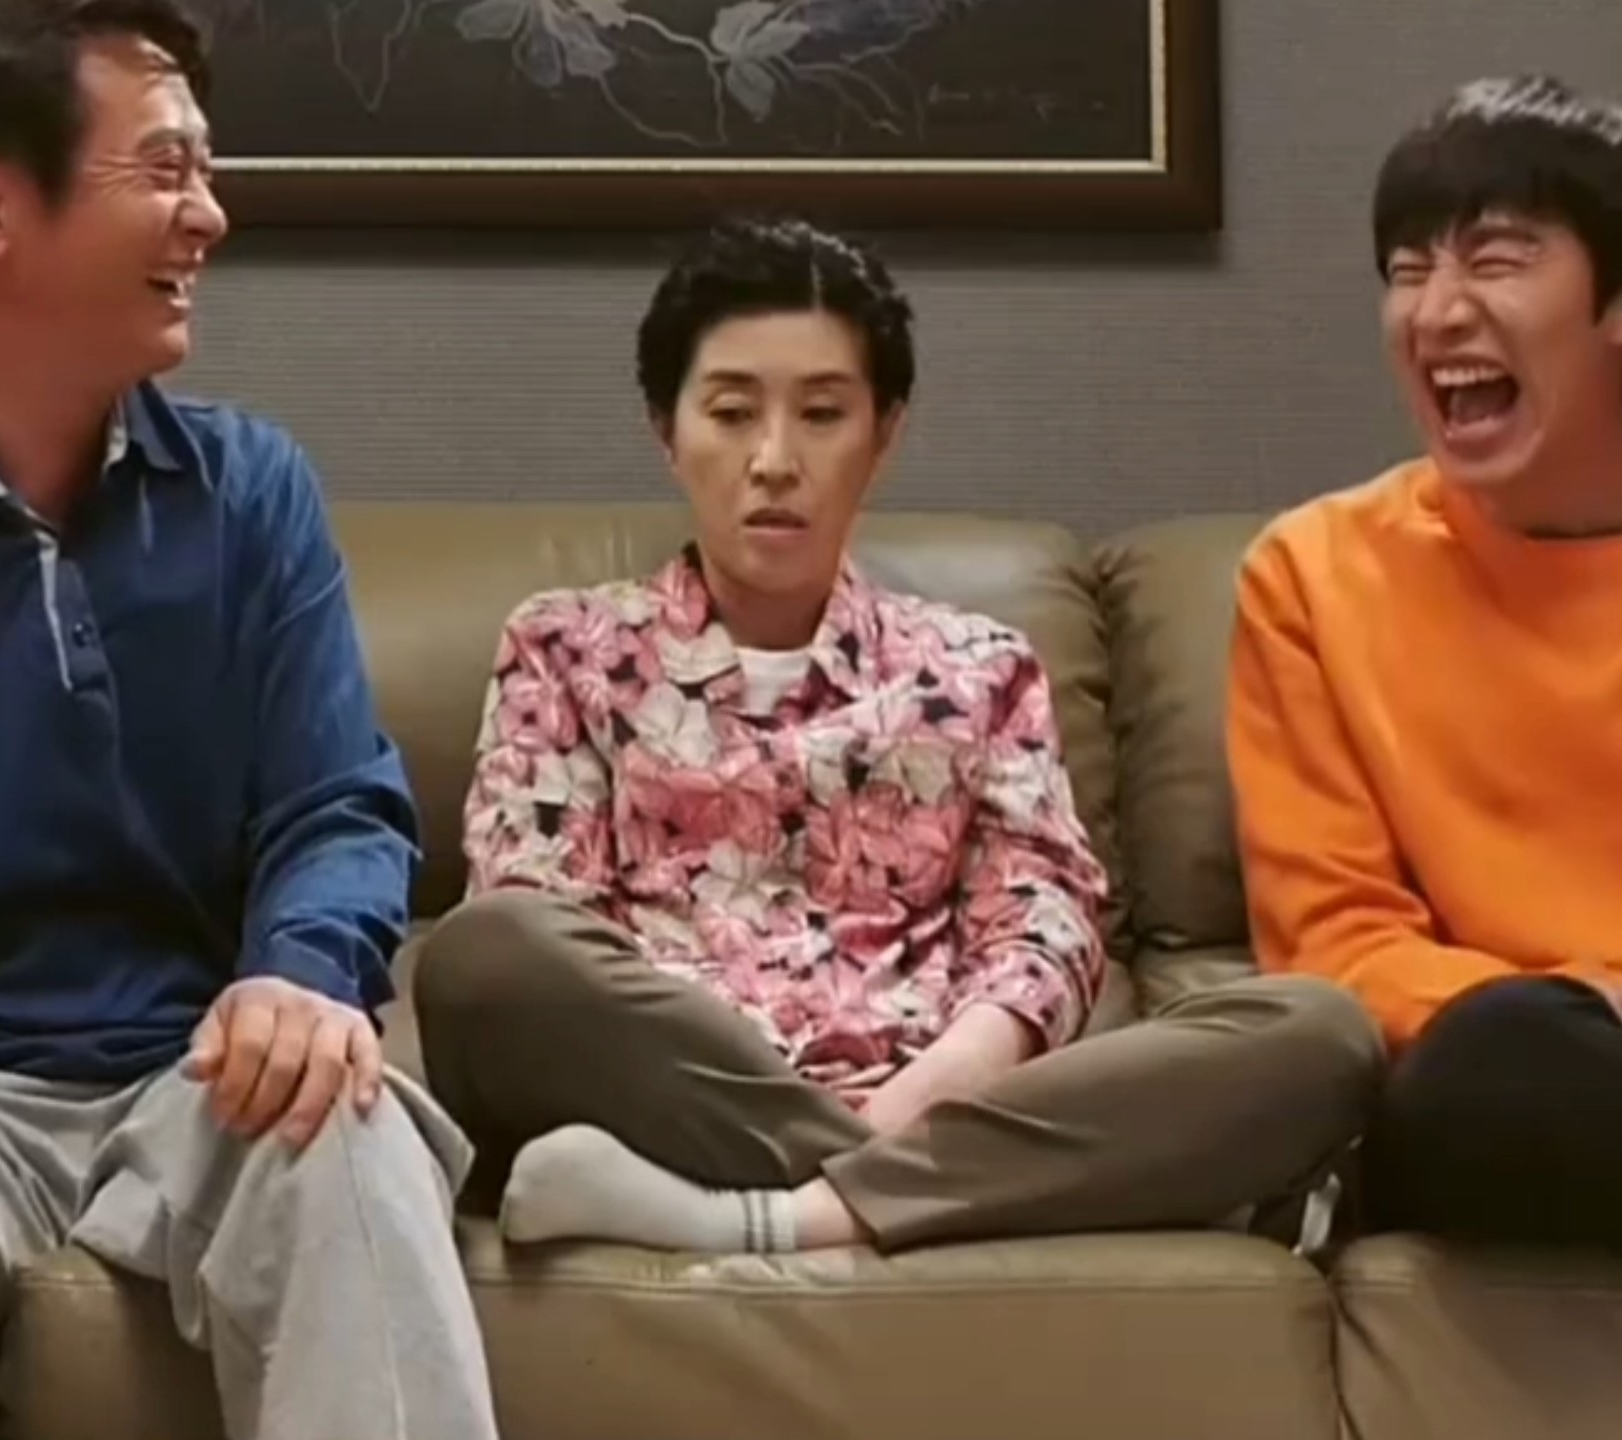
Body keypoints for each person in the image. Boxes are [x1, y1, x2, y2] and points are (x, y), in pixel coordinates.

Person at [0, 3, 499, 1436]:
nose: (209, 213)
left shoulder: (251, 496)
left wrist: (301, 977)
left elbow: (338, 804)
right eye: (164, 168)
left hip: (201, 1081)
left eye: (205, 168)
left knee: (349, 1116)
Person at [412, 215, 1381, 1258]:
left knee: (1318, 1035)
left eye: (823, 414)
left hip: (934, 1092)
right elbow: (542, 911)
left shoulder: (978, 669)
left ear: (884, 435)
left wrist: (918, 1100)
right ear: (666, 429)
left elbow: (1043, 932)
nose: (774, 461)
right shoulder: (568, 648)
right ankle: (976, 1191)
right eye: (731, 413)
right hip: (663, 1104)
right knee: (486, 956)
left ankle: (779, 1216)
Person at [1227, 76, 1622, 1257]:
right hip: (1502, 1077)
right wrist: (1590, 1004)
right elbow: (1336, 944)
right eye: (1408, 271)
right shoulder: (1312, 573)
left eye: (1496, 260)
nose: (1437, 311)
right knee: (1503, 1067)